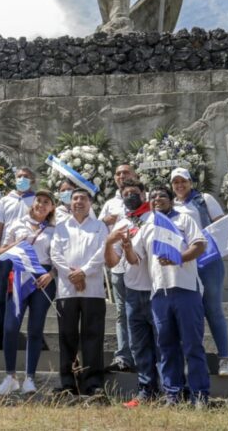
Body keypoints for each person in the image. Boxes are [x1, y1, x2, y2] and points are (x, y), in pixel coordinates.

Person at [132, 185, 210, 406]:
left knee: (193, 345)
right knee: (166, 347)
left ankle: (200, 394)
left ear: (171, 200)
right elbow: (135, 258)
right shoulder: (146, 226)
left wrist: (178, 258)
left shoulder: (184, 219)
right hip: (159, 293)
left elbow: (200, 245)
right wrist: (127, 247)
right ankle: (172, 394)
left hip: (186, 290)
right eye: (153, 196)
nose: (157, 199)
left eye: (162, 196)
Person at [0, 190, 58, 395]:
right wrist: (16, 243)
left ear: (51, 208)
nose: (41, 204)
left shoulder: (54, 230)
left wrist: (52, 275)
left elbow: (59, 257)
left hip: (43, 277)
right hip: (20, 275)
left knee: (35, 329)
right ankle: (10, 376)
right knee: (11, 327)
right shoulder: (17, 223)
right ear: (33, 203)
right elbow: (1, 252)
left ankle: (30, 378)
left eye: (46, 202)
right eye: (39, 200)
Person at [170, 167, 228, 377]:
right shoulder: (171, 205)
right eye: (175, 182)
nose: (180, 185)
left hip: (208, 261)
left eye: (183, 181)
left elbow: (222, 225)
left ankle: (224, 359)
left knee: (213, 310)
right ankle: (195, 361)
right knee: (189, 314)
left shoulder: (204, 199)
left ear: (191, 182)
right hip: (185, 264)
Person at [104, 179, 158, 406]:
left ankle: (171, 390)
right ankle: (146, 392)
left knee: (163, 343)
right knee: (139, 345)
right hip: (133, 292)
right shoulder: (121, 224)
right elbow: (113, 261)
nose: (130, 196)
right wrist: (108, 243)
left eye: (134, 192)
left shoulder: (154, 218)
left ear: (144, 195)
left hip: (157, 290)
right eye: (125, 193)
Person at [49, 187, 108, 395]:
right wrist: (72, 276)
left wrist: (83, 272)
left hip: (92, 290)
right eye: (75, 198)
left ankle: (93, 384)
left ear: (90, 202)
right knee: (67, 336)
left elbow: (102, 253)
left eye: (83, 198)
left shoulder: (100, 227)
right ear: (69, 203)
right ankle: (68, 383)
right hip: (67, 290)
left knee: (93, 336)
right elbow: (55, 255)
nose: (79, 202)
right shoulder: (61, 227)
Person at [0, 167, 36, 350]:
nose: (22, 179)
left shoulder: (36, 201)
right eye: (19, 176)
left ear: (32, 180)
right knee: (1, 296)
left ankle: (29, 335)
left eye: (26, 176)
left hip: (29, 255)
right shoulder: (5, 201)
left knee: (29, 295)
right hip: (6, 254)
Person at [99, 162, 138, 373]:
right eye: (118, 173)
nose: (122, 176)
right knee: (122, 313)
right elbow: (97, 229)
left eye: (126, 172)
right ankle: (123, 356)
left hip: (141, 267)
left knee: (142, 312)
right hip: (118, 266)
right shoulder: (109, 203)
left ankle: (143, 354)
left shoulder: (142, 197)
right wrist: (106, 220)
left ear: (135, 175)